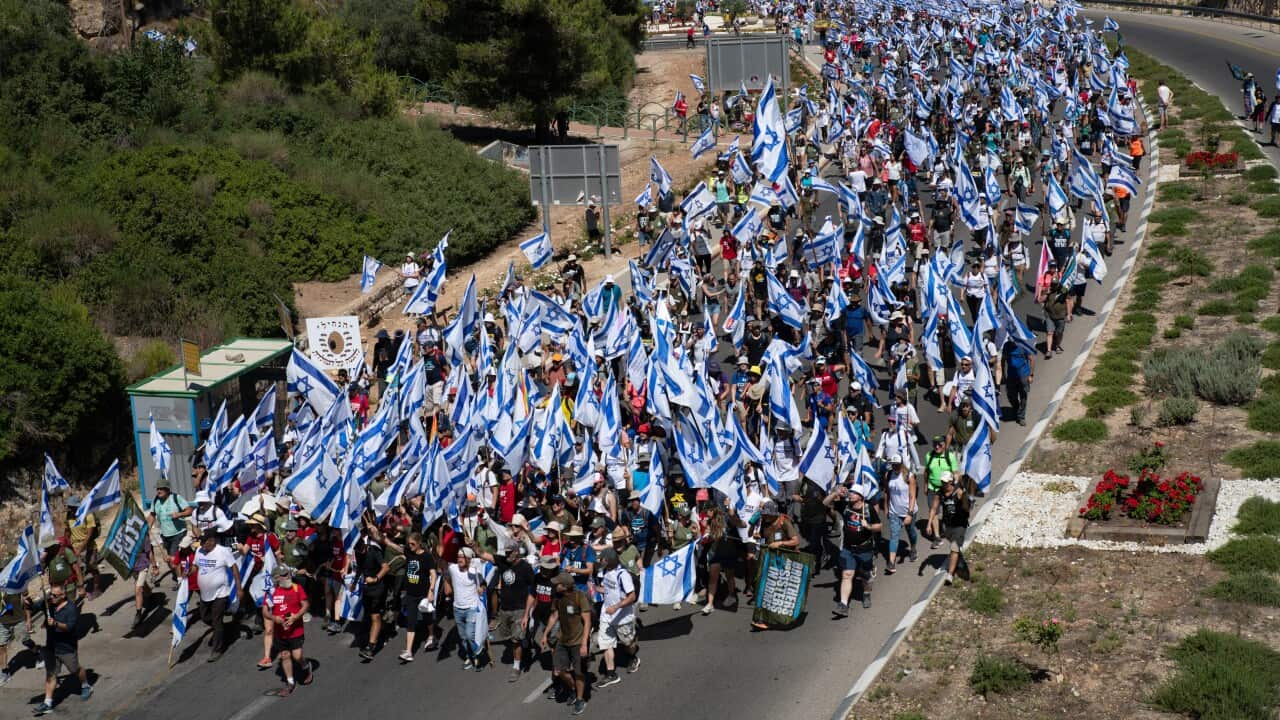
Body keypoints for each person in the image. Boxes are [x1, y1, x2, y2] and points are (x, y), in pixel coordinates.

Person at [32, 585, 90, 716]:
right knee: (51, 674)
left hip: (66, 647)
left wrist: (56, 624)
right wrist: (28, 600)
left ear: (63, 595)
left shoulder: (71, 608)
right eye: (50, 594)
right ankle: (47, 703)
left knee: (75, 670)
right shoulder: (49, 604)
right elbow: (33, 607)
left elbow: (69, 627)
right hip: (51, 647)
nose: (51, 597)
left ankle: (86, 685)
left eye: (54, 595)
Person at [826, 486, 882, 614]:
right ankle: (843, 605)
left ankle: (866, 593)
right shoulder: (845, 506)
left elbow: (879, 526)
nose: (850, 494)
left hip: (865, 549)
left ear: (860, 496)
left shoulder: (868, 509)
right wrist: (835, 493)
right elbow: (825, 503)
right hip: (848, 548)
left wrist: (868, 526)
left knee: (865, 576)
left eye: (854, 493)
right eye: (850, 492)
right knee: (847, 574)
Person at [542, 572, 591, 715]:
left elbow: (587, 621)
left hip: (578, 641)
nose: (554, 585)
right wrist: (545, 634)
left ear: (565, 586)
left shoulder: (579, 597)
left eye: (557, 584)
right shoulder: (557, 598)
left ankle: (580, 699)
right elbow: (554, 616)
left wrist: (584, 644)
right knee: (559, 670)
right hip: (562, 640)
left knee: (579, 672)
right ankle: (574, 689)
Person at [592, 548, 639, 689]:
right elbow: (608, 589)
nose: (600, 561)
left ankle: (633, 657)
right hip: (606, 616)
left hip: (623, 617)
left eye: (602, 559)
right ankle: (611, 674)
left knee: (628, 643)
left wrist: (616, 606)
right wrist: (596, 588)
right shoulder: (605, 572)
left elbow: (632, 596)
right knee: (605, 643)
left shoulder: (623, 575)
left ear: (609, 560)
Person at [194, 529, 240, 662]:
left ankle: (217, 649)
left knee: (216, 619)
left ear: (212, 541)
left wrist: (239, 588)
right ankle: (222, 629)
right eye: (201, 542)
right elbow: (195, 566)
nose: (202, 545)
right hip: (205, 593)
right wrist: (188, 572)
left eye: (204, 542)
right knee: (204, 617)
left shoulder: (223, 552)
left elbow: (234, 568)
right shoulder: (199, 550)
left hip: (221, 592)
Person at [264, 565, 311, 696]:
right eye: (284, 575)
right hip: (280, 632)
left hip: (296, 630)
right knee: (285, 655)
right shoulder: (271, 592)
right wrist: (274, 618)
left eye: (288, 574)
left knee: (297, 656)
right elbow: (265, 611)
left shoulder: (297, 588)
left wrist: (296, 617)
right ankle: (290, 682)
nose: (288, 576)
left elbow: (306, 605)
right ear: (276, 578)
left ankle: (306, 666)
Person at [443, 547, 487, 670]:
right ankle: (470, 657)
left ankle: (479, 655)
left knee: (469, 635)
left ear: (468, 559)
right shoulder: (453, 568)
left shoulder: (474, 572)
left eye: (462, 557)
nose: (460, 559)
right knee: (463, 637)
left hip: (471, 608)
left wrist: (482, 589)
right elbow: (442, 566)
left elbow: (483, 584)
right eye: (458, 557)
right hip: (457, 609)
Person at [397, 532, 437, 662]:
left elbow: (433, 574)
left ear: (419, 543)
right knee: (411, 621)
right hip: (411, 594)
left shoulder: (427, 556)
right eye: (409, 544)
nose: (410, 546)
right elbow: (391, 544)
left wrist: (431, 591)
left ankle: (431, 636)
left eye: (413, 544)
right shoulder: (408, 552)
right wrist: (379, 535)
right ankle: (409, 651)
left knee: (427, 617)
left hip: (423, 593)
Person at [355, 529, 390, 660]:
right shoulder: (358, 553)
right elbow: (360, 567)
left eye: (360, 548)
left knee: (375, 616)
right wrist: (354, 581)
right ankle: (380, 631)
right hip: (366, 589)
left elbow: (386, 567)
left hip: (377, 588)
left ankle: (371, 647)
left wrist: (375, 579)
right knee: (369, 614)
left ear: (363, 544)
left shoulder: (374, 551)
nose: (359, 551)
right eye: (357, 550)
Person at [932, 473, 972, 585]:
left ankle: (950, 574)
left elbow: (967, 509)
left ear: (950, 481)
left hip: (960, 524)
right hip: (948, 525)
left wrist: (964, 498)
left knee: (954, 547)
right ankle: (959, 558)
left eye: (945, 482)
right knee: (954, 545)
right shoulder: (940, 492)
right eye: (942, 481)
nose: (943, 483)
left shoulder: (959, 492)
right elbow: (934, 508)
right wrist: (929, 523)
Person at [0, 590, 33, 685]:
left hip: (18, 620)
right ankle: (4, 673)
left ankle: (37, 652)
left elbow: (27, 601)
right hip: (2, 623)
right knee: (1, 647)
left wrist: (29, 620)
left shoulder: (16, 584)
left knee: (26, 641)